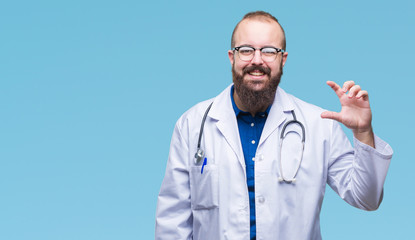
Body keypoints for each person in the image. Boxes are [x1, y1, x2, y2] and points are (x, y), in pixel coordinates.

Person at [155, 11, 393, 240]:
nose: (257, 60)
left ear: (283, 59)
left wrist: (362, 132)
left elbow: (367, 198)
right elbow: (172, 223)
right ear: (232, 57)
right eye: (246, 50)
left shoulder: (320, 126)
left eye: (269, 51)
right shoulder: (192, 125)